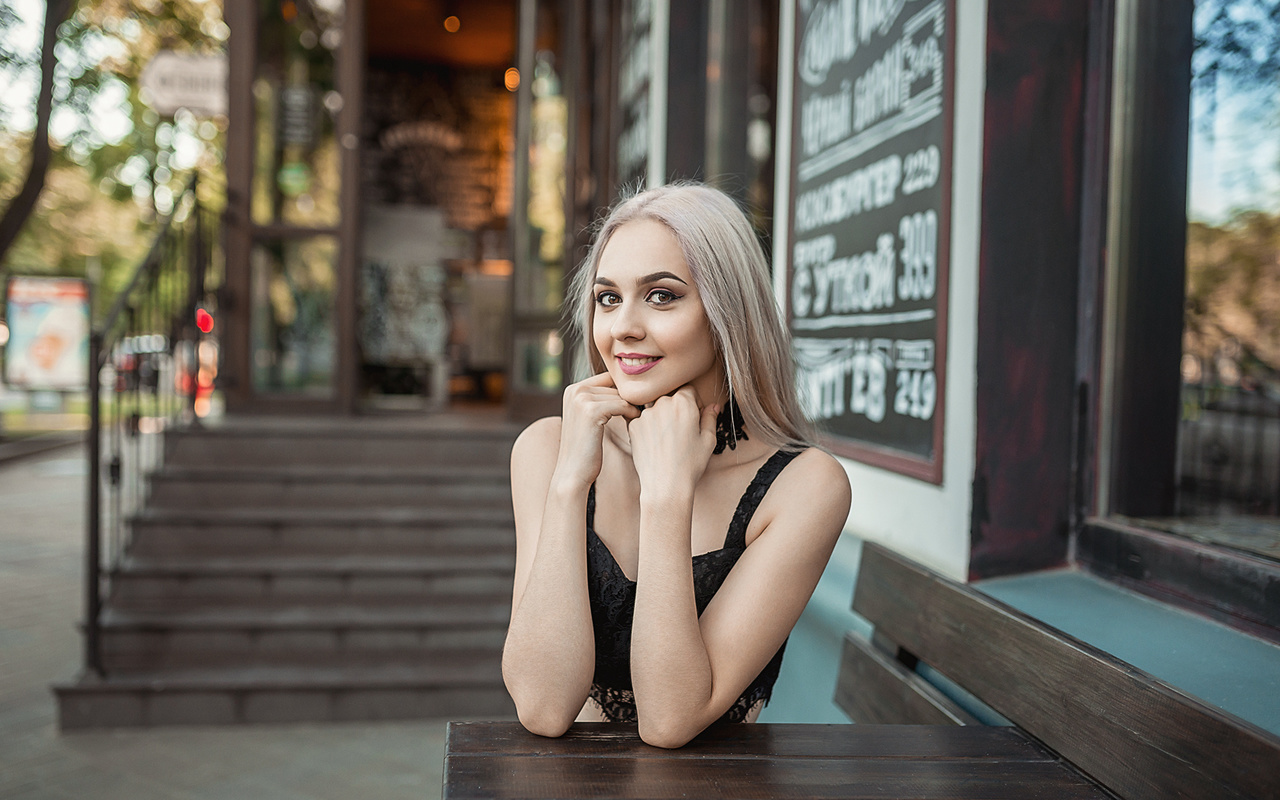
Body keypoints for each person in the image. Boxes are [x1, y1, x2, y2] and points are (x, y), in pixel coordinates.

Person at [502, 183, 852, 749]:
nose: (622, 328)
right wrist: (569, 484)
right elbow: (543, 707)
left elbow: (669, 720)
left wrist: (667, 496)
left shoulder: (804, 486)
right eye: (608, 298)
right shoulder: (548, 450)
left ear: (726, 312)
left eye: (662, 296)